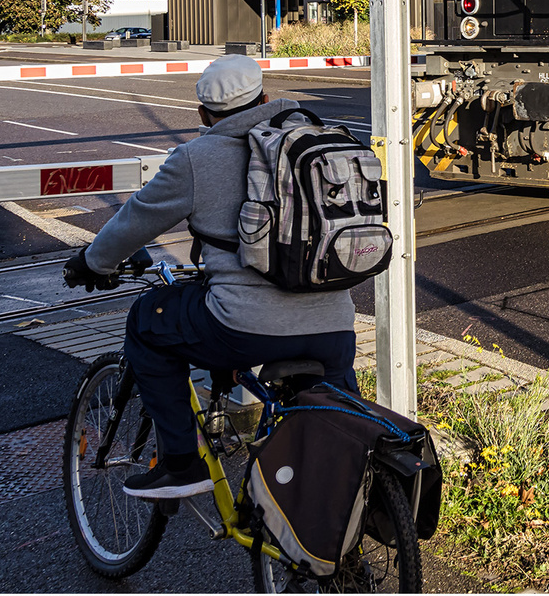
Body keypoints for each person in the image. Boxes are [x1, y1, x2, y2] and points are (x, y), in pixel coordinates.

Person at [64, 55, 358, 499]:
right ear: (263, 98)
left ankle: (182, 464)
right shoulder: (321, 139)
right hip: (336, 324)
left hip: (245, 328)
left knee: (148, 320)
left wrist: (92, 262)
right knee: (345, 436)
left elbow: (134, 220)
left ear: (203, 114)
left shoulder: (196, 158)